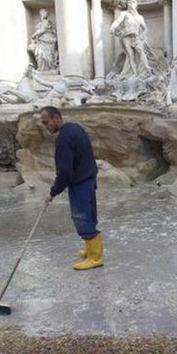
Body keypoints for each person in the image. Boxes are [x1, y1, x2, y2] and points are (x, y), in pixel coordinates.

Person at [41, 106, 103, 271]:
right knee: (89, 215)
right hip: (88, 179)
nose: (46, 127)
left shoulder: (63, 138)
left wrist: (53, 192)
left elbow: (65, 171)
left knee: (81, 218)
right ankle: (91, 250)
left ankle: (95, 257)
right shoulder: (75, 128)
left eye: (46, 122)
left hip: (80, 183)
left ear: (56, 117)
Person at [109, 0, 152, 77]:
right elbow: (118, 21)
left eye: (132, 2)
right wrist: (113, 27)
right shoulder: (124, 13)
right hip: (126, 36)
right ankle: (133, 73)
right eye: (128, 2)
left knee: (141, 52)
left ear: (135, 4)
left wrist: (143, 36)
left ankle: (146, 68)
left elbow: (144, 28)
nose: (130, 4)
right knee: (130, 55)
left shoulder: (139, 17)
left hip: (136, 37)